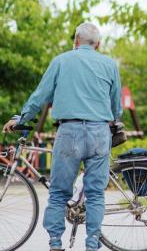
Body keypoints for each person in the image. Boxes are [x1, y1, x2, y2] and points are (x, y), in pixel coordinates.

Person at [3, 22, 122, 251]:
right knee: (95, 194)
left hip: (69, 132)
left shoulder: (61, 61)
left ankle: (56, 244)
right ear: (98, 44)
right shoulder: (110, 65)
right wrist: (113, 121)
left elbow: (40, 95)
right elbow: (116, 106)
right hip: (99, 133)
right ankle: (92, 245)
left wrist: (22, 118)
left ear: (76, 41)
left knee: (58, 193)